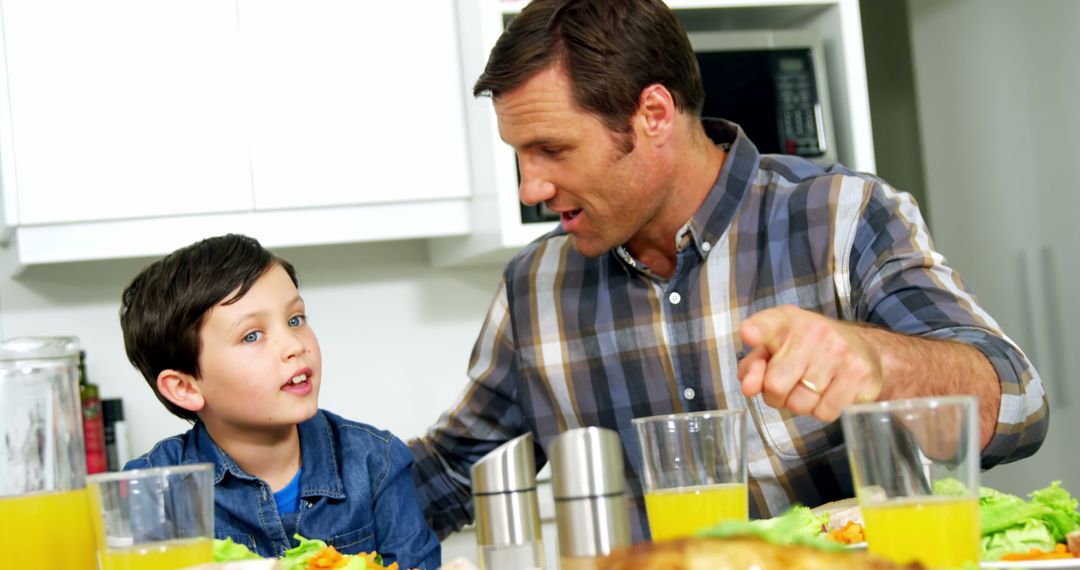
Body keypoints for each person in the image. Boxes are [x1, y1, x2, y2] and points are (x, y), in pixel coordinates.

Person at [409, 0, 1049, 543]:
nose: (531, 187)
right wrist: (311, 453)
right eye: (519, 156)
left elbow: (1021, 402)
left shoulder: (842, 216)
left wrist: (882, 364)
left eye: (552, 149)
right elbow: (444, 478)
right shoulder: (534, 287)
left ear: (654, 114)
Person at [120, 234, 440, 567]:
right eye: (252, 335)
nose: (293, 345)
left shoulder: (378, 462)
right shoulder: (153, 487)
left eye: (295, 320)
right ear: (184, 388)